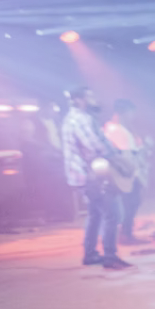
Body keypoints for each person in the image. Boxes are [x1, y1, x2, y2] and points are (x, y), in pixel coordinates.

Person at [61, 87, 131, 269]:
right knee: (113, 214)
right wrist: (118, 158)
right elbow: (95, 145)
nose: (95, 99)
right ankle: (110, 257)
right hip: (92, 175)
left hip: (84, 174)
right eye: (90, 96)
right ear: (79, 100)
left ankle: (90, 254)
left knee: (95, 214)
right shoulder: (81, 119)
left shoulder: (72, 118)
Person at [103, 99, 151, 245]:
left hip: (126, 171)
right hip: (127, 172)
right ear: (123, 113)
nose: (132, 117)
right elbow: (126, 154)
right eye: (131, 113)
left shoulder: (113, 128)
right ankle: (126, 234)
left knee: (131, 202)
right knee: (131, 202)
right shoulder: (117, 130)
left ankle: (126, 232)